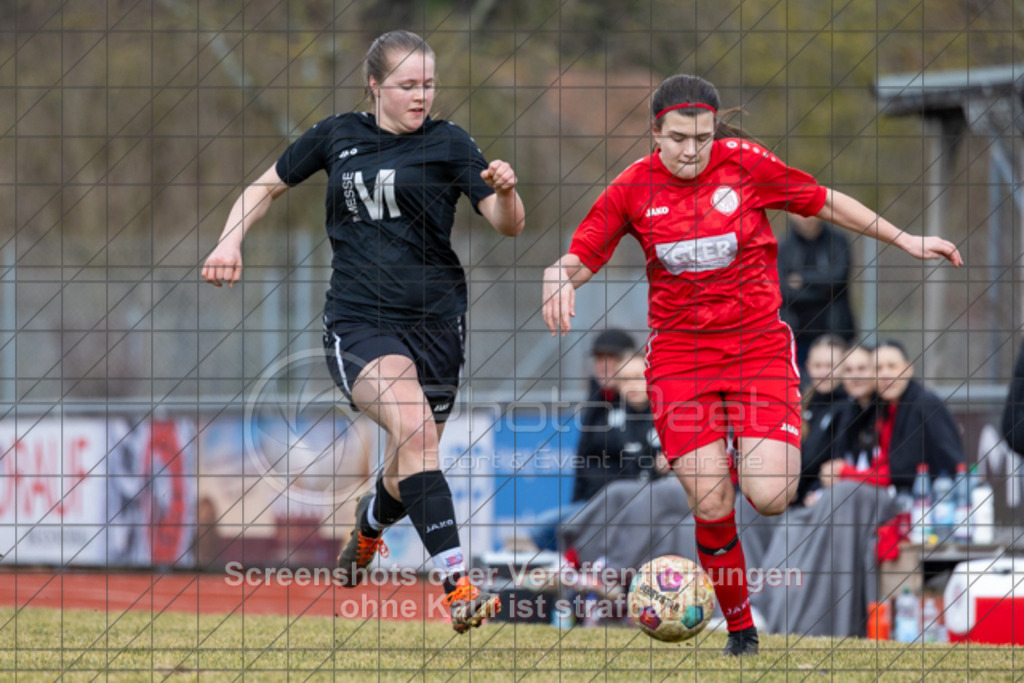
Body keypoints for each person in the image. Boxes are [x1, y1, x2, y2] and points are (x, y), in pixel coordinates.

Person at [540, 74, 962, 656]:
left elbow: (824, 199)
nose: (693, 150)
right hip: (680, 364)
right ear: (655, 132)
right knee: (711, 503)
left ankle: (738, 443)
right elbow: (581, 255)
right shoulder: (631, 188)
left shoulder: (746, 164)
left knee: (770, 495)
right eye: (681, 138)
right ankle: (741, 631)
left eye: (704, 138)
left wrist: (905, 238)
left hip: (756, 352)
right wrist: (556, 275)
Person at [201, 30, 525, 634]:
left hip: (438, 326)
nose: (420, 96)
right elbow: (262, 187)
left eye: (427, 84)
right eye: (406, 86)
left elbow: (508, 225)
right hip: (360, 323)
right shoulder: (337, 136)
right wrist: (229, 239)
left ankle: (371, 523)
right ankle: (458, 585)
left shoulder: (451, 143)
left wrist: (506, 192)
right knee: (418, 431)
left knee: (412, 460)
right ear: (374, 86)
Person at [820, 340, 965, 492]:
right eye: (878, 368)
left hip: (937, 501)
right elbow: (882, 466)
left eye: (892, 366)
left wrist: (845, 473)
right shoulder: (885, 408)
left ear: (908, 369)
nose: (885, 374)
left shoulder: (923, 405)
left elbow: (901, 473)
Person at [778, 214, 857, 374]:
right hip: (798, 333)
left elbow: (838, 279)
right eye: (797, 210)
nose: (805, 216)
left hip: (835, 329)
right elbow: (783, 290)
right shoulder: (783, 247)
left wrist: (802, 279)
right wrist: (823, 291)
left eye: (808, 210)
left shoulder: (838, 241)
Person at [809, 344, 879, 497]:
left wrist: (844, 472)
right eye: (848, 370)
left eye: (862, 369)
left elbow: (894, 472)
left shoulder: (888, 409)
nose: (855, 376)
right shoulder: (851, 412)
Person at [793, 334, 849, 505]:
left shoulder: (850, 406)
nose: (824, 372)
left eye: (831, 365)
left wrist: (817, 491)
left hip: (823, 498)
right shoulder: (801, 402)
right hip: (793, 496)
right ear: (808, 367)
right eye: (818, 365)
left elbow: (842, 460)